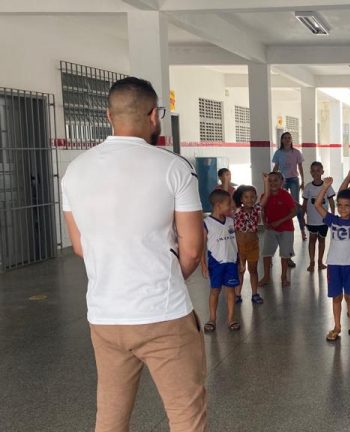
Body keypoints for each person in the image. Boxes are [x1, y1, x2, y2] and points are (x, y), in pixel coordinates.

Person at [61, 77, 207, 431]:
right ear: (154, 115)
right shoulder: (174, 167)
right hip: (164, 315)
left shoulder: (75, 170)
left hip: (105, 317)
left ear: (109, 115)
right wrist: (166, 281)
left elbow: (79, 246)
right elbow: (191, 249)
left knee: (110, 417)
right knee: (186, 416)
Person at [314, 176, 350, 341]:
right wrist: (325, 187)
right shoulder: (333, 220)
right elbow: (317, 205)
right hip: (334, 265)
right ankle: (337, 327)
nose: (342, 208)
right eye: (339, 205)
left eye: (347, 205)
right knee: (336, 297)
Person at [201, 189, 241, 332]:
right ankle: (212, 318)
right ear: (218, 205)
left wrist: (240, 260)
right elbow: (202, 246)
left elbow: (236, 242)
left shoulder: (231, 221)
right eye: (228, 203)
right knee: (215, 291)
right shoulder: (207, 223)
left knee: (231, 291)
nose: (231, 206)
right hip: (216, 263)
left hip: (231, 262)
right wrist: (203, 264)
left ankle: (231, 319)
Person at [259, 172, 297, 288]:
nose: (273, 183)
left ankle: (284, 276)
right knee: (266, 254)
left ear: (282, 181)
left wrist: (280, 222)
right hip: (270, 229)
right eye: (270, 180)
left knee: (285, 255)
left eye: (276, 180)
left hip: (286, 229)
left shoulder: (286, 195)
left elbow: (294, 212)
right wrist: (264, 222)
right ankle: (266, 276)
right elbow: (262, 211)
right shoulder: (264, 196)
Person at [272, 132, 306, 257]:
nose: (287, 140)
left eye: (289, 138)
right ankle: (282, 228)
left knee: (296, 205)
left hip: (294, 180)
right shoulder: (278, 153)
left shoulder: (296, 152)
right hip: (282, 180)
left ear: (291, 140)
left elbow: (300, 167)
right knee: (282, 205)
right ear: (282, 140)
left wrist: (303, 180)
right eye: (285, 138)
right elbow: (276, 167)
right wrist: (271, 179)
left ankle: (302, 230)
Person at [302, 161, 336, 272]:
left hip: (324, 220)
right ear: (310, 172)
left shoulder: (327, 186)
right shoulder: (308, 187)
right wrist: (302, 217)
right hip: (312, 220)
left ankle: (320, 262)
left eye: (318, 170)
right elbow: (304, 204)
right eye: (313, 171)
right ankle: (311, 262)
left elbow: (331, 201)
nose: (315, 173)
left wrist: (333, 215)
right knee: (312, 240)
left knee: (322, 240)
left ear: (322, 172)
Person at [233, 184, 262, 305]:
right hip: (239, 247)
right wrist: (226, 182)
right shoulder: (236, 211)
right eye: (246, 197)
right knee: (240, 271)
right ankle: (237, 294)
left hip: (253, 246)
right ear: (241, 199)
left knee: (253, 270)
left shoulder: (256, 210)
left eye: (252, 197)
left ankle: (255, 294)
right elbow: (229, 201)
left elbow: (265, 198)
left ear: (256, 198)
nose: (249, 199)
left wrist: (265, 182)